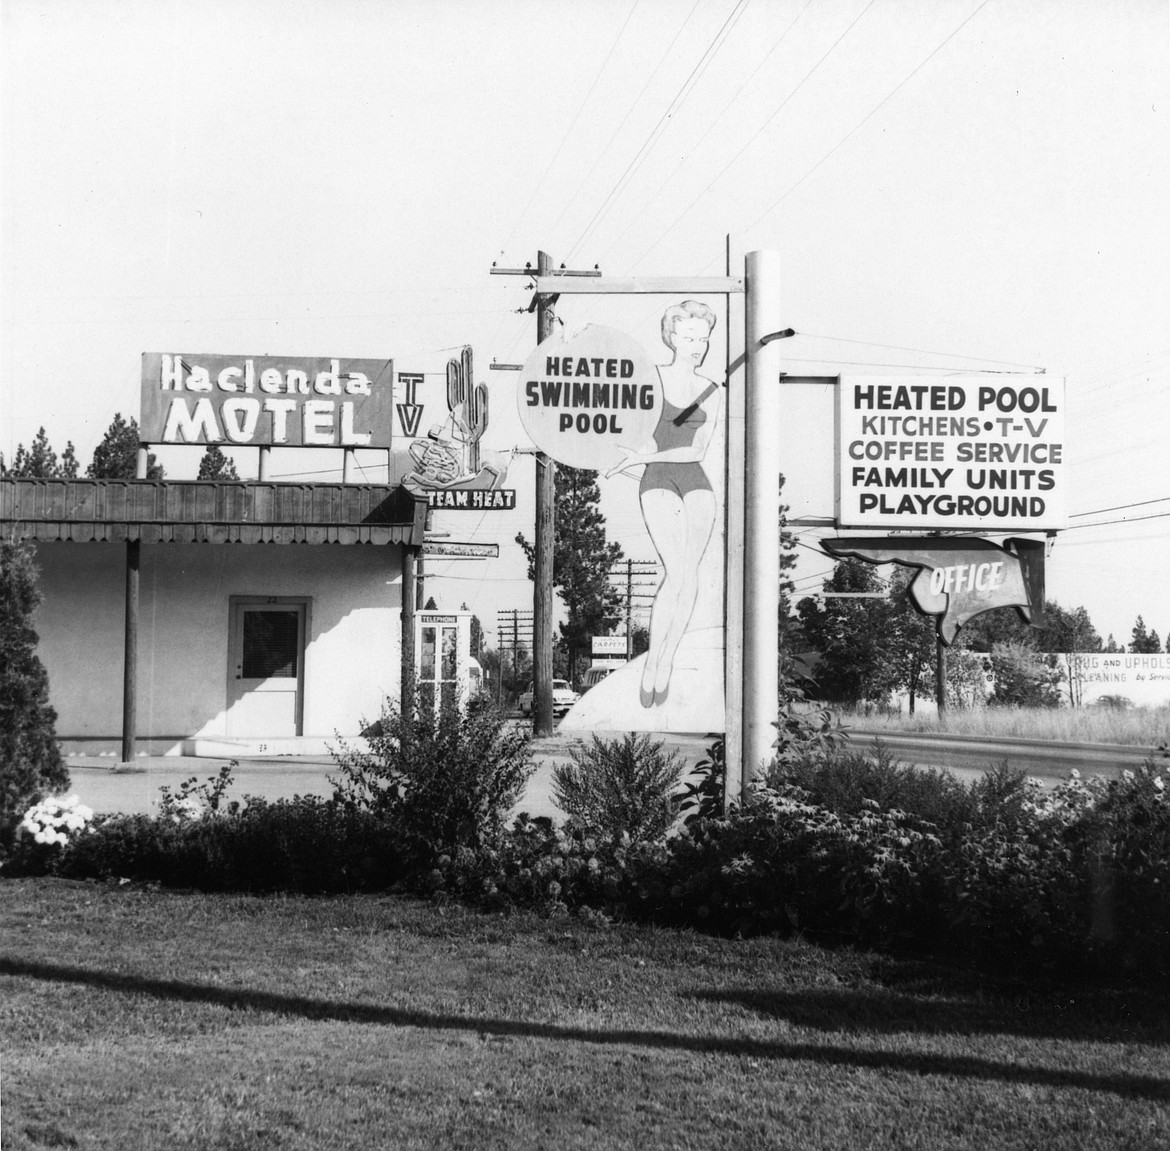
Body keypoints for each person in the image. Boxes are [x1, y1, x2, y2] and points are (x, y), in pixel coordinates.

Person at [606, 301, 721, 707]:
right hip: (656, 481)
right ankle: (654, 661)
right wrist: (631, 457)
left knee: (688, 574)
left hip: (695, 483)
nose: (697, 345)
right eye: (689, 337)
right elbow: (637, 436)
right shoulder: (649, 381)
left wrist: (641, 457)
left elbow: (697, 452)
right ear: (671, 337)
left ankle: (666, 661)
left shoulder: (713, 389)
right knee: (676, 571)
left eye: (703, 338)